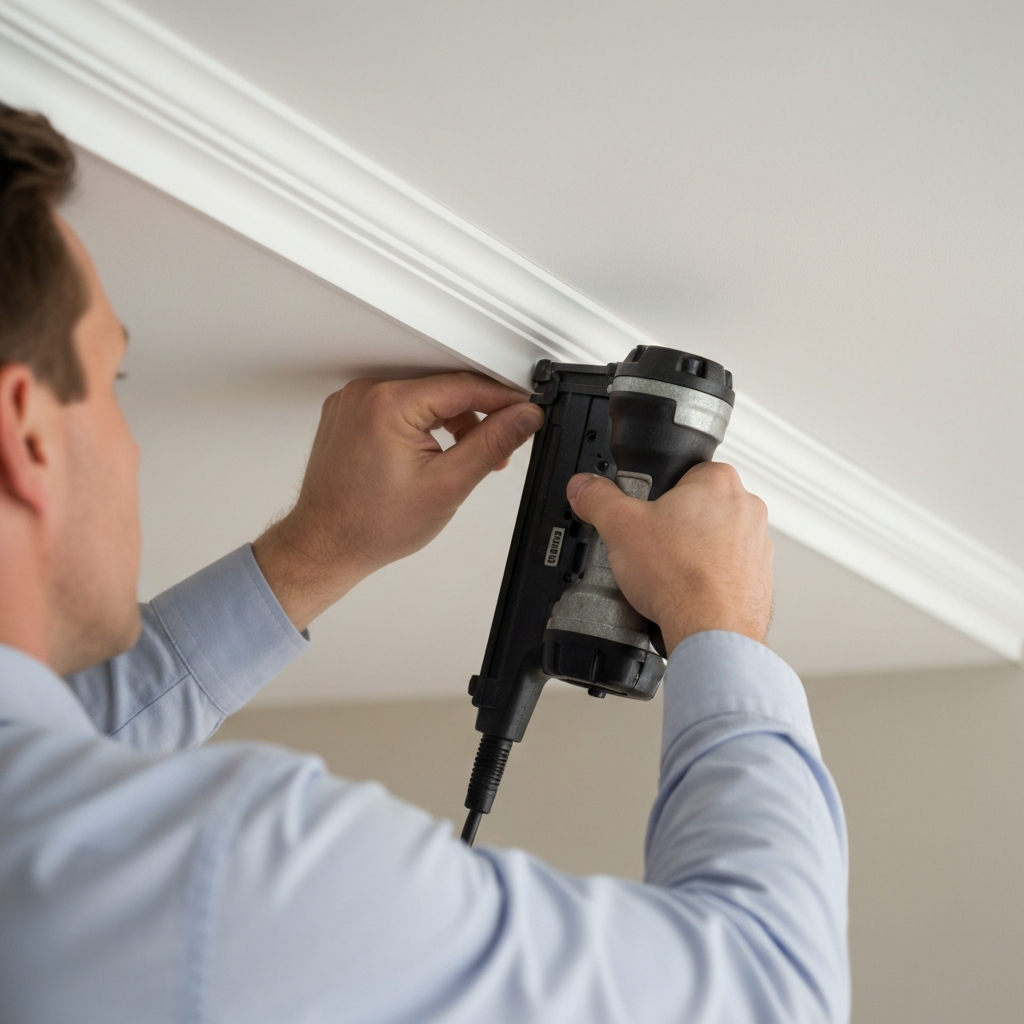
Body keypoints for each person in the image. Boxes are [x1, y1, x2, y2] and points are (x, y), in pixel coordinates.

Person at [0, 104, 849, 1023]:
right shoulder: (232, 870)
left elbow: (75, 768)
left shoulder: (84, 854)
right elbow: (771, 991)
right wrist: (723, 624)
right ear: (27, 436)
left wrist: (311, 553)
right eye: (113, 387)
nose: (127, 447)